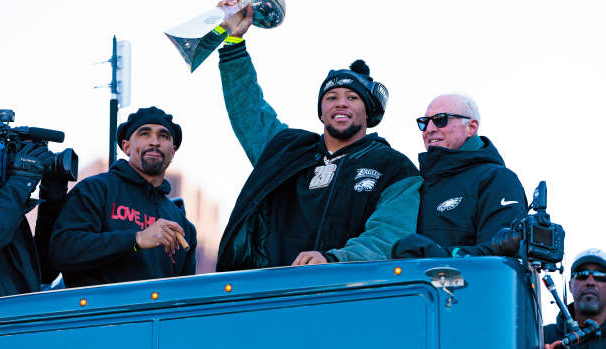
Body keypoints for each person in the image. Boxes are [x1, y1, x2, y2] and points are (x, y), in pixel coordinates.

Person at [202, 1, 421, 271]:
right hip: (272, 294)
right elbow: (249, 112)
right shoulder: (288, 152)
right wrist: (234, 42)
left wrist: (333, 260)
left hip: (349, 294)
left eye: (352, 98)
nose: (340, 103)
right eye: (331, 97)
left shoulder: (394, 167)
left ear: (369, 114)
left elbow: (389, 234)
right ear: (321, 112)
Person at [49, 107, 196, 288]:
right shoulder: (95, 190)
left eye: (163, 136)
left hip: (156, 316)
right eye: (145, 134)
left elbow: (184, 292)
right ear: (126, 147)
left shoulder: (182, 224)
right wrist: (136, 240)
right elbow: (62, 250)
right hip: (100, 314)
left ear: (172, 152)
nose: (155, 142)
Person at [392, 93, 527, 258]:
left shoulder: (497, 179)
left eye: (440, 119)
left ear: (471, 127)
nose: (430, 129)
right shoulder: (413, 184)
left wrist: (440, 255)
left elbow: (503, 254)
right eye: (424, 122)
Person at [0, 142, 67, 298]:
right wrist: (22, 182)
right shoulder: (9, 199)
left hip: (21, 313)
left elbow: (44, 272)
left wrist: (52, 198)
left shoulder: (4, 202)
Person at [544, 249, 606, 348]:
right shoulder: (542, 336)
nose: (590, 282)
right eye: (582, 274)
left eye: (600, 275)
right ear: (570, 285)